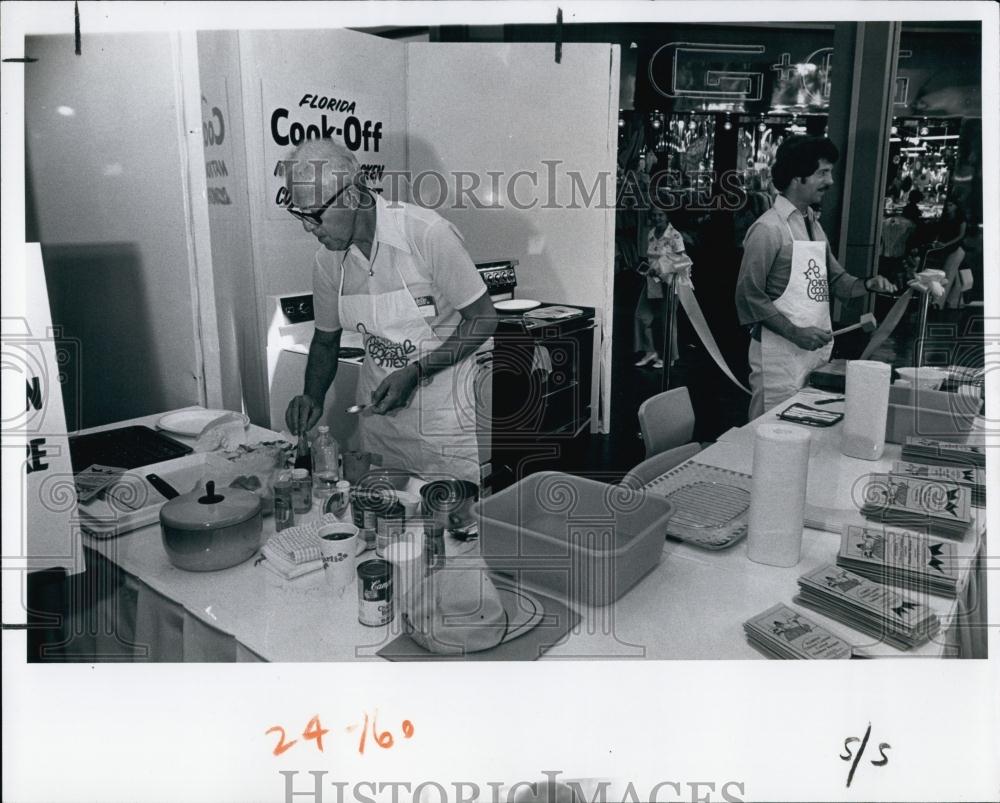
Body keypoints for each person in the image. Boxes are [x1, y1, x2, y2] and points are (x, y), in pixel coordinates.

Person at [282, 140, 496, 484]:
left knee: (447, 524)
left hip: (440, 419)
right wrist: (312, 396)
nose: (307, 227)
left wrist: (417, 371)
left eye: (314, 215)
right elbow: (325, 341)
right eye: (298, 214)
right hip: (378, 417)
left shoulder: (426, 233)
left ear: (352, 196)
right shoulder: (327, 261)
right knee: (384, 519)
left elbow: (484, 318)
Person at [735, 135, 896, 420]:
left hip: (813, 353)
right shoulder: (768, 229)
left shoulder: (813, 225)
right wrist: (795, 333)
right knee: (770, 431)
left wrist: (869, 284)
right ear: (799, 177)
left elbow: (837, 282)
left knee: (804, 426)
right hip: (779, 356)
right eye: (823, 172)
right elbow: (749, 295)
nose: (831, 181)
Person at [634, 207, 692, 369]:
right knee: (641, 315)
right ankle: (649, 351)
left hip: (670, 283)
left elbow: (684, 261)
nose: (657, 218)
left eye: (660, 215)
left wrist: (663, 268)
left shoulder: (675, 236)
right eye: (654, 215)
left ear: (666, 216)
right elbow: (649, 257)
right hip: (652, 281)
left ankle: (669, 357)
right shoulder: (651, 233)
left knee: (668, 322)